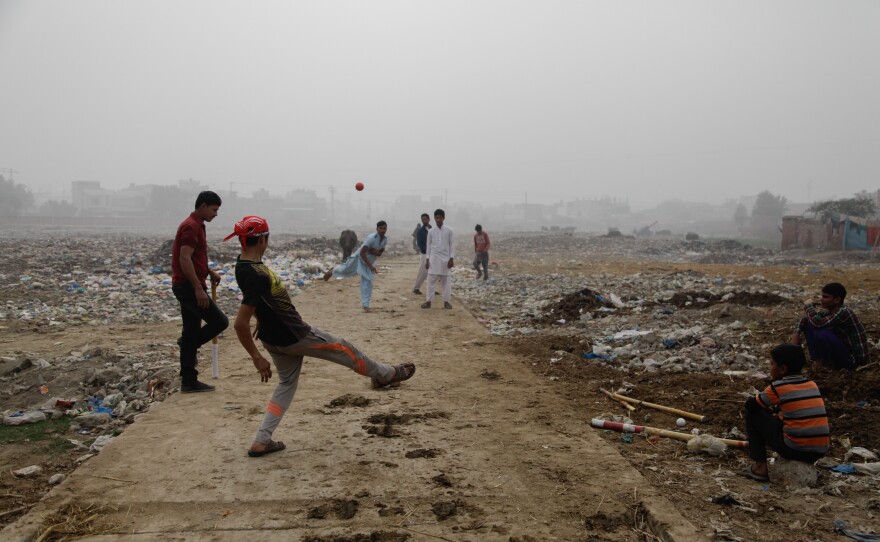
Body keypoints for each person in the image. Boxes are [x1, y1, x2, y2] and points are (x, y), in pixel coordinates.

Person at [228, 216, 415, 457]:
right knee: (346, 350)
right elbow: (240, 324)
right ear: (264, 239)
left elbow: (256, 301)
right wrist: (256, 357)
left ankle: (262, 440)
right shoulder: (258, 275)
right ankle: (386, 375)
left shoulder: (242, 265)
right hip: (295, 335)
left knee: (286, 384)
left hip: (272, 339)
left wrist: (262, 318)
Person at [742, 344, 829, 482]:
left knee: (753, 414)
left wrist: (766, 406)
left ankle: (759, 467)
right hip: (819, 451)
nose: (770, 368)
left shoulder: (779, 387)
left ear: (783, 369)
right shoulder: (812, 384)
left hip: (794, 449)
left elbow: (751, 405)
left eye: (772, 364)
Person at [171, 191, 229, 393]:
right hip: (188, 286)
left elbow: (195, 258)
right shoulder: (191, 226)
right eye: (214, 209)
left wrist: (209, 271)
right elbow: (184, 258)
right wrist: (197, 288)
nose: (216, 214)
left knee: (190, 330)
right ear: (203, 206)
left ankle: (189, 380)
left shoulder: (197, 225)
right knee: (220, 322)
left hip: (189, 284)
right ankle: (188, 344)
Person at [790, 282, 868, 370]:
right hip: (843, 353)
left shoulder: (844, 312)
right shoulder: (830, 310)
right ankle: (818, 360)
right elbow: (806, 319)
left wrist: (809, 307)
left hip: (855, 361)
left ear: (837, 299)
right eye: (822, 296)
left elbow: (818, 323)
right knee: (810, 325)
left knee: (822, 332)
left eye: (825, 297)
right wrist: (796, 333)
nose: (821, 299)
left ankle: (825, 363)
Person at [323, 221, 388, 312]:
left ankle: (365, 305)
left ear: (386, 229)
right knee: (345, 270)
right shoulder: (371, 238)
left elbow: (379, 253)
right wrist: (371, 264)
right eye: (380, 228)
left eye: (384, 228)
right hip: (359, 258)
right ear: (377, 229)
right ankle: (333, 271)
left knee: (368, 282)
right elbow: (362, 253)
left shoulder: (385, 240)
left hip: (369, 262)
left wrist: (373, 252)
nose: (382, 230)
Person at [422, 209, 454, 309]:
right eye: (437, 218)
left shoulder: (449, 230)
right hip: (434, 258)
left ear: (443, 218)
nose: (438, 220)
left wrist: (451, 258)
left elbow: (452, 245)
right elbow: (428, 246)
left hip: (446, 259)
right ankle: (428, 301)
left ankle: (446, 302)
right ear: (434, 218)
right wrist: (427, 260)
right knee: (431, 280)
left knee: (446, 281)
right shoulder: (431, 231)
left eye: (440, 218)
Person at [411, 213, 432, 295]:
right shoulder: (420, 231)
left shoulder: (432, 229)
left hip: (433, 254)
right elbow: (420, 244)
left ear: (429, 219)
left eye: (425, 219)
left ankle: (431, 289)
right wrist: (428, 250)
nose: (424, 221)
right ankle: (416, 288)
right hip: (424, 254)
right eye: (423, 220)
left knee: (433, 273)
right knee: (423, 272)